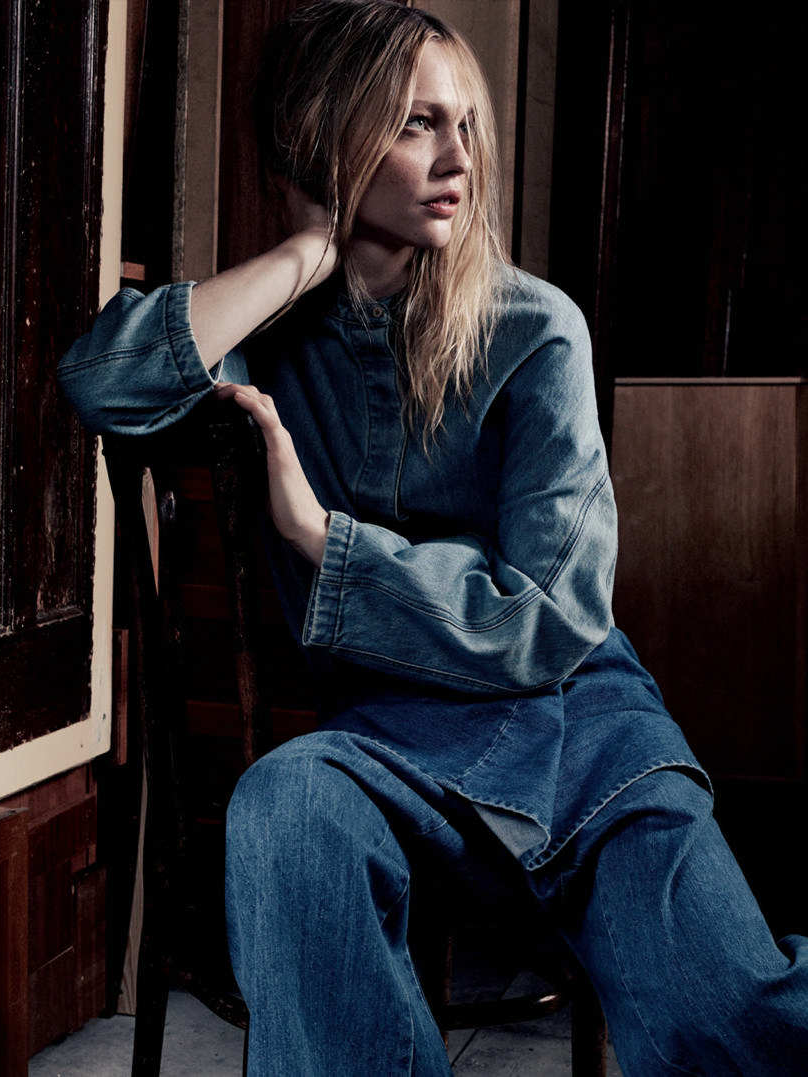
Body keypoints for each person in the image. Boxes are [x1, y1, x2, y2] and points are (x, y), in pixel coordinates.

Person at [58, 1, 808, 1073]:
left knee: (733, 1019)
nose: (459, 157)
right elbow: (101, 382)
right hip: (389, 745)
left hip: (586, 734)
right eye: (416, 123)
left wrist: (326, 539)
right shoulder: (271, 340)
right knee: (286, 801)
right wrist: (304, 252)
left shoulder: (535, 328)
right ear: (329, 138)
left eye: (466, 125)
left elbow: (546, 617)